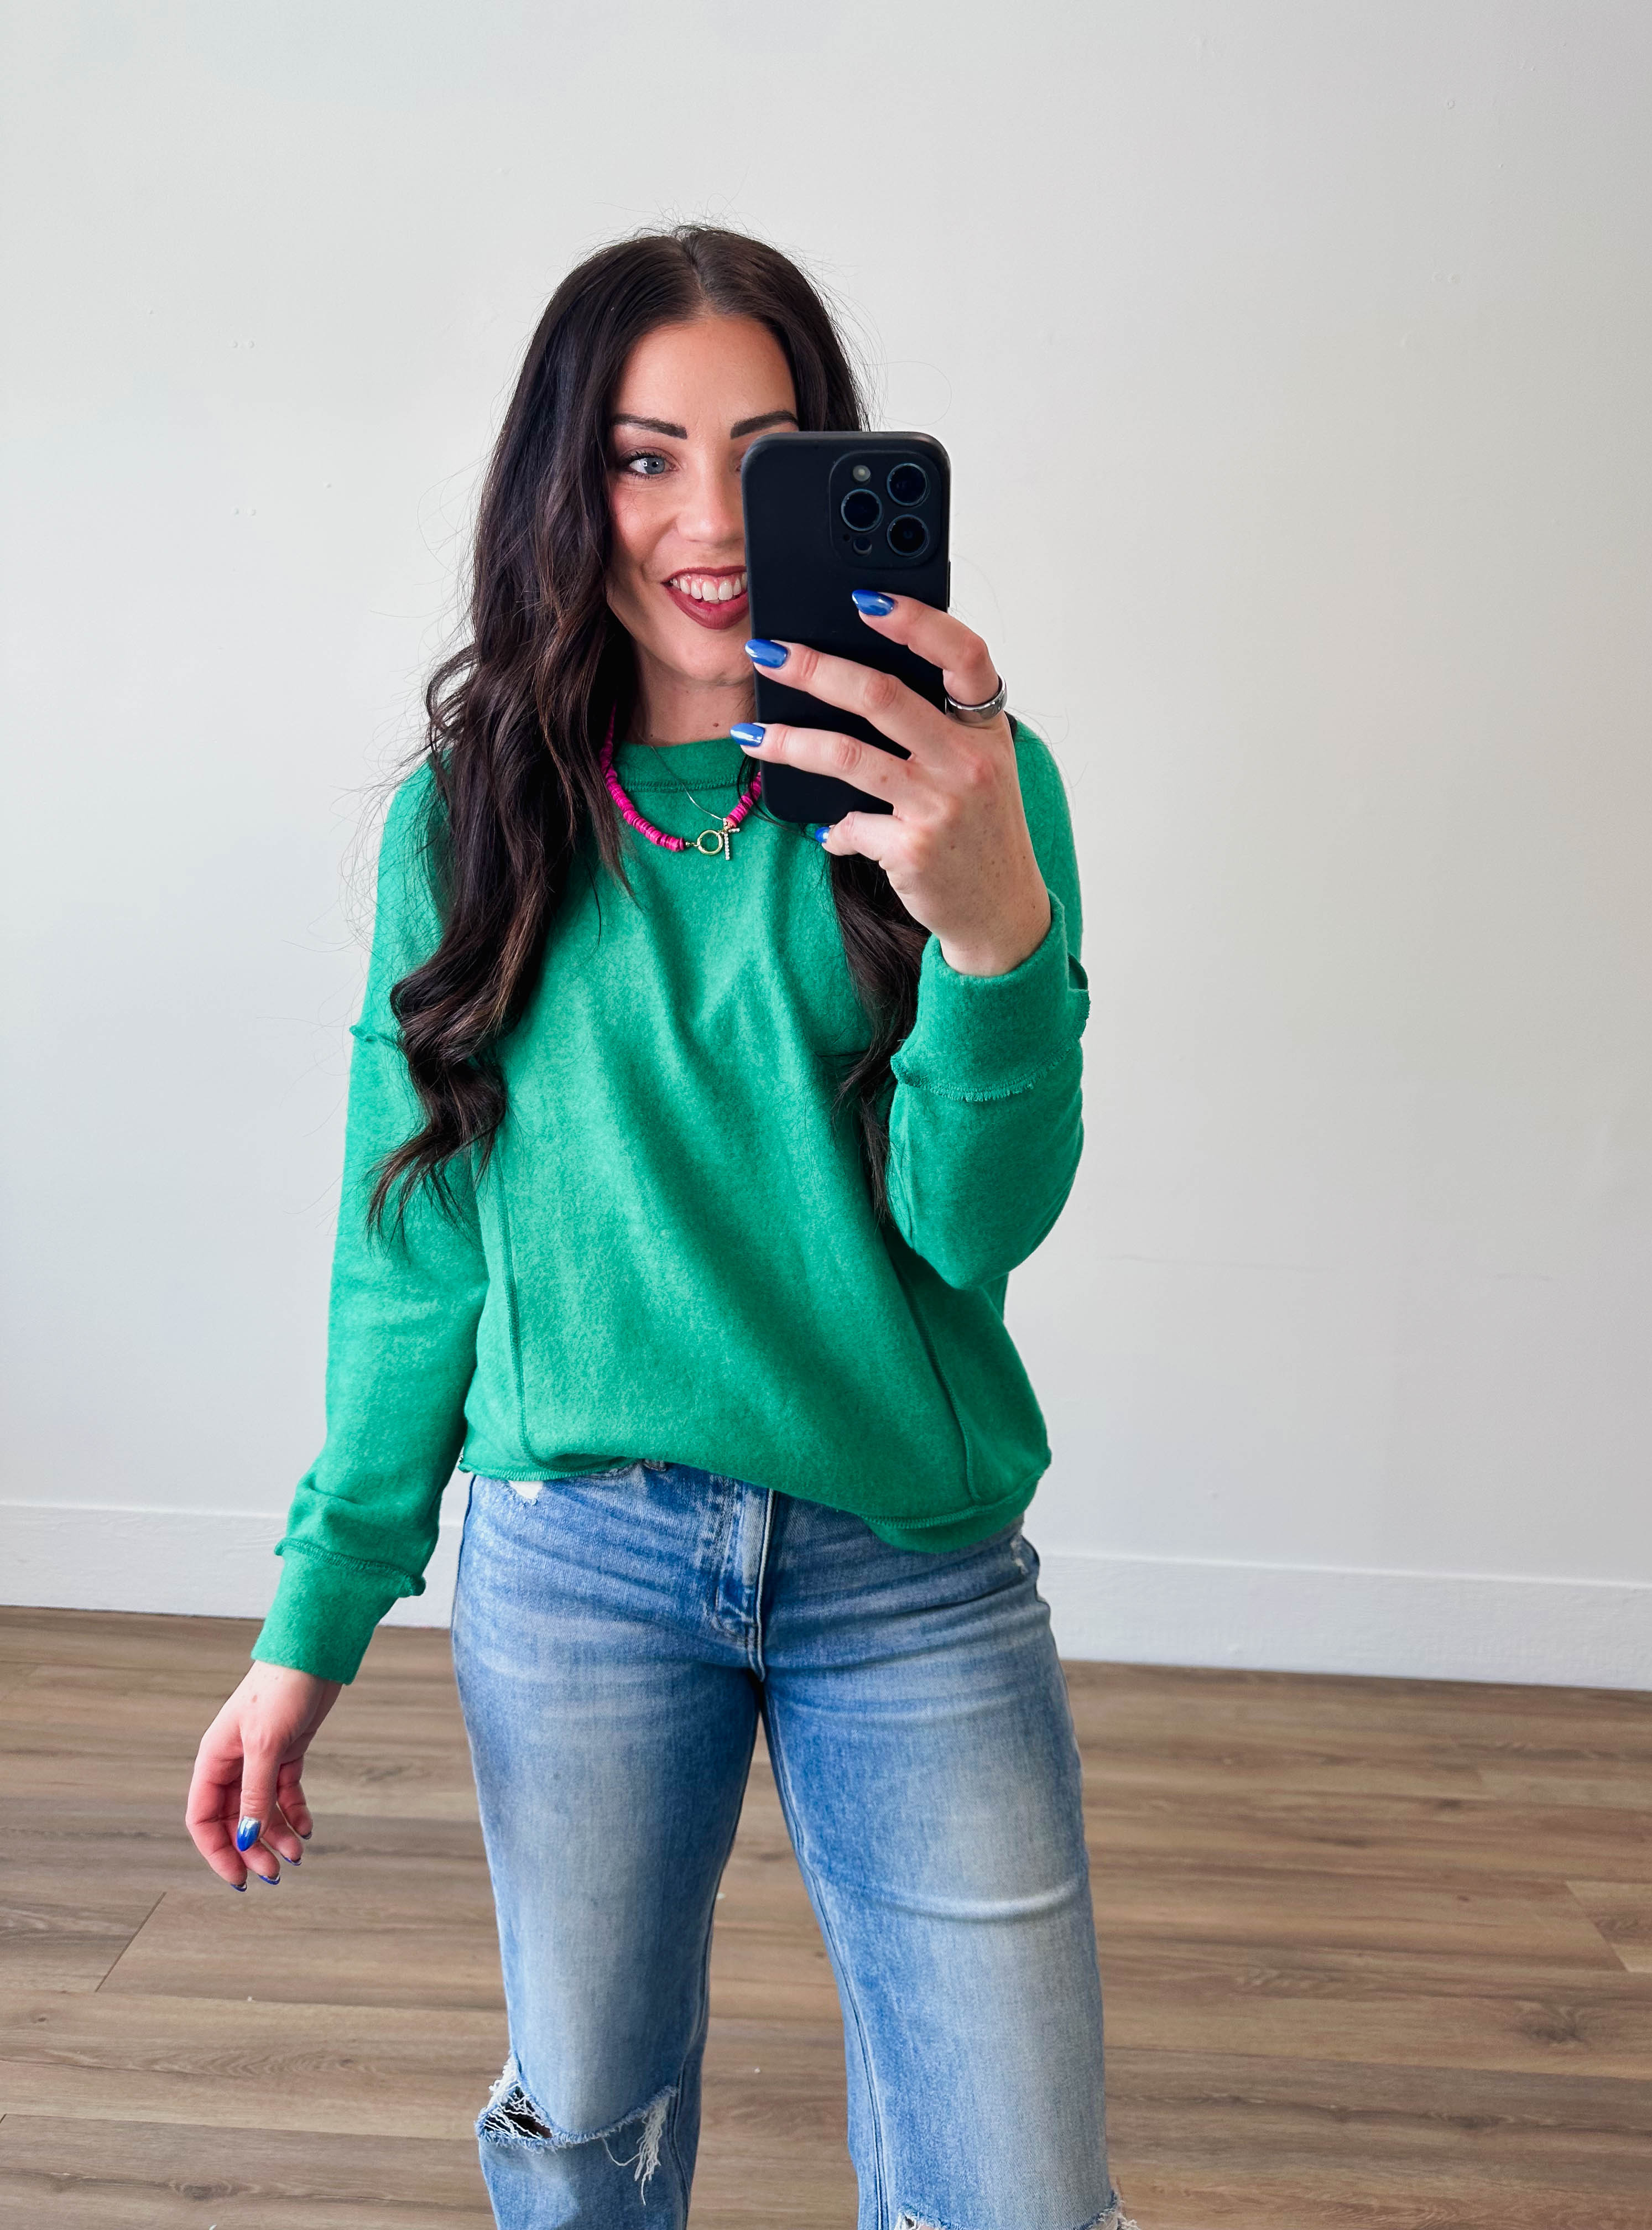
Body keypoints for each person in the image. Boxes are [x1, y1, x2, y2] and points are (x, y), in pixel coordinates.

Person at [185, 224, 1136, 2230]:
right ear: (565, 483)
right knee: (589, 2142)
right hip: (579, 1566)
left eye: (764, 458)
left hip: (910, 1561)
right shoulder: (471, 817)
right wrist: (308, 1627)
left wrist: (993, 936)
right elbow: (414, 1249)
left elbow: (975, 1231)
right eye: (642, 457)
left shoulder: (969, 788)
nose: (706, 522)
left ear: (837, 479)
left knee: (1018, 2196)